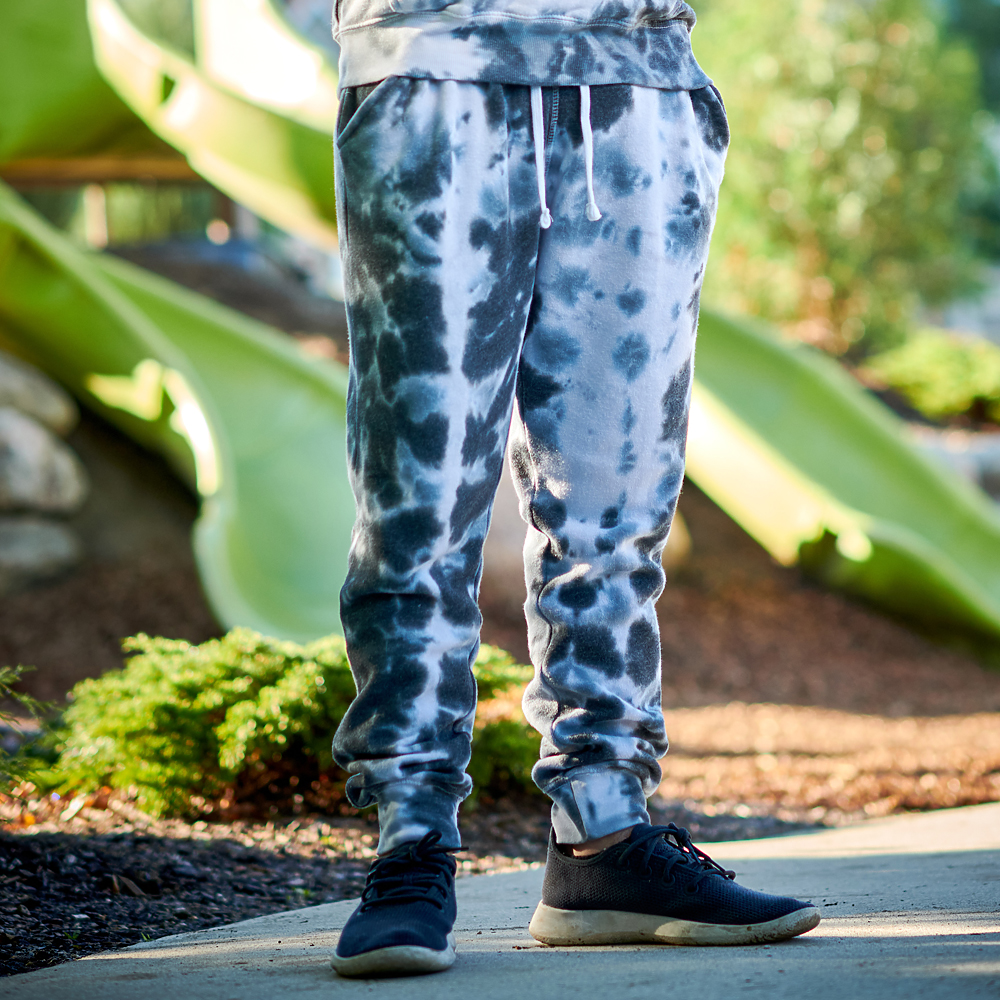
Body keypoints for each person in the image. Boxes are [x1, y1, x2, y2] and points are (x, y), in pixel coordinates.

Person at [327, 0, 820, 978]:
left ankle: (603, 837)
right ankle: (409, 841)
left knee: (615, 507)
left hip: (638, 74)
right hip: (435, 65)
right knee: (418, 499)